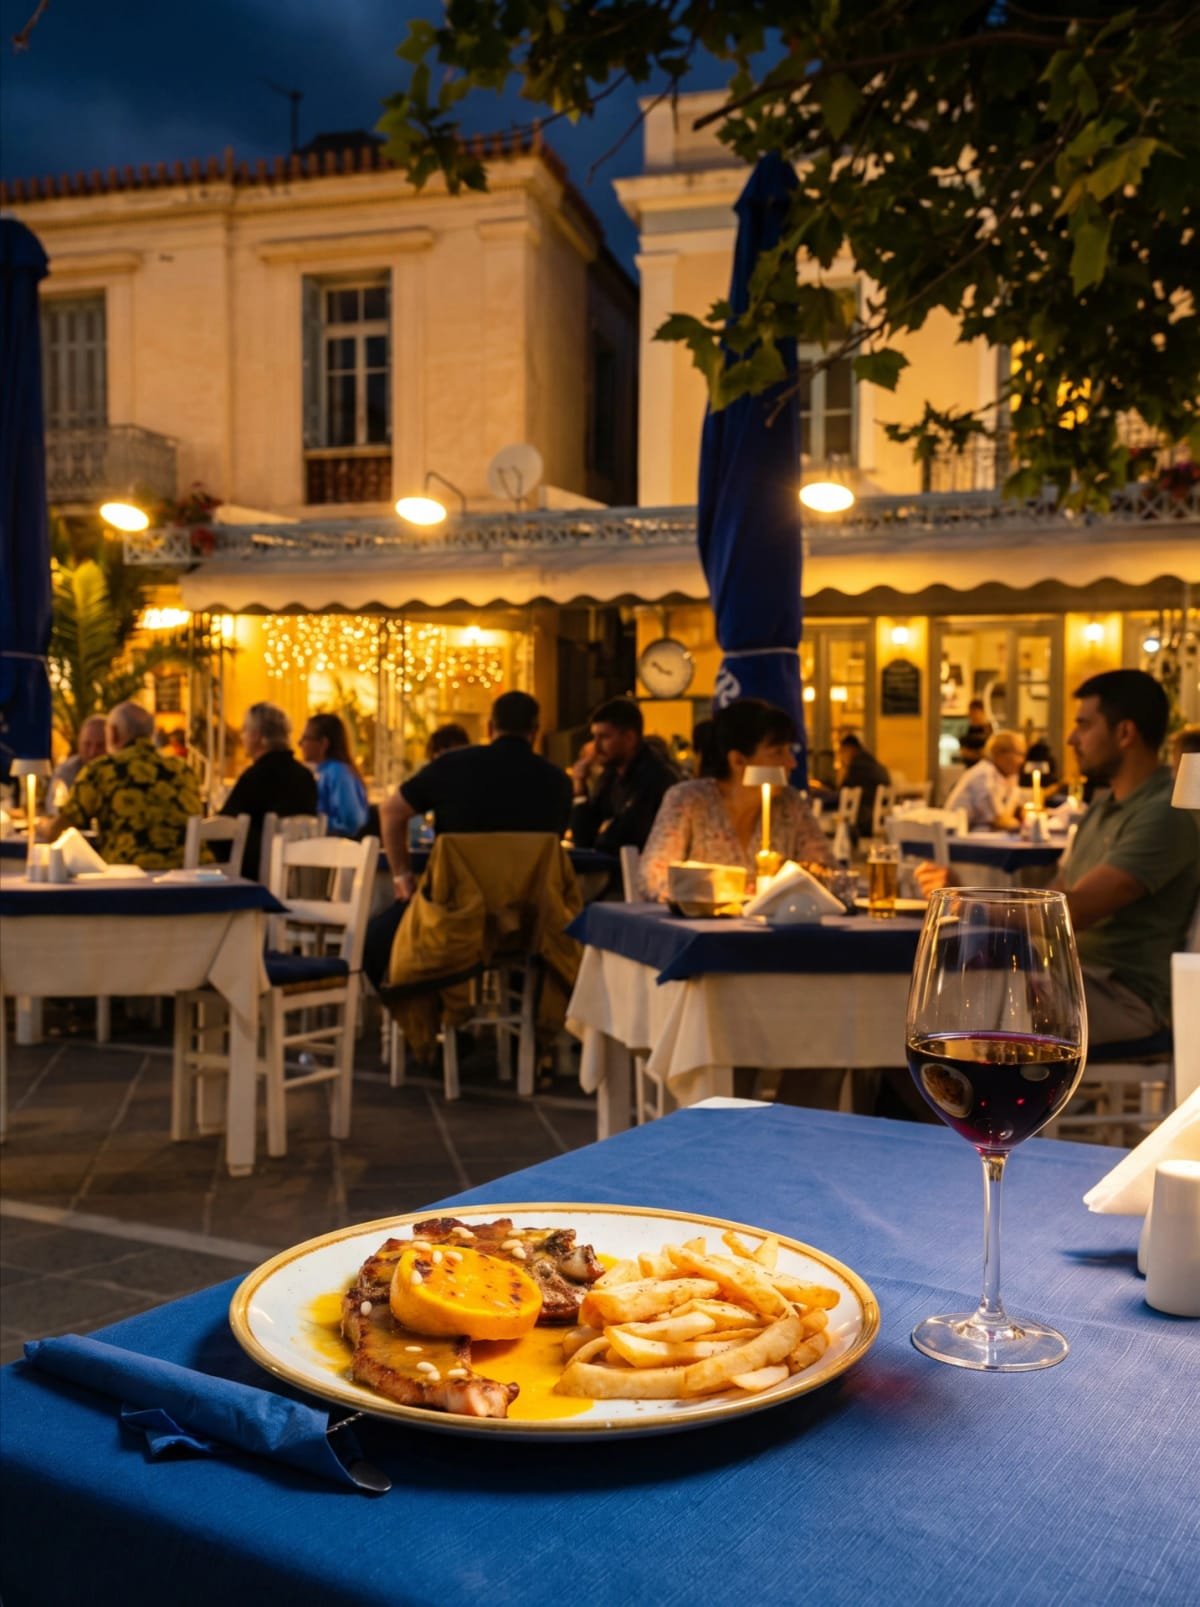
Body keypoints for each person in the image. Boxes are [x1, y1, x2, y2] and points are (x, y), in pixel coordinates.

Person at [920, 670, 1200, 1043]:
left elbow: (1074, 910)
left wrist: (967, 903)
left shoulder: (1167, 811)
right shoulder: (1104, 808)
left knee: (951, 1016)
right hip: (1069, 978)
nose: (1071, 738)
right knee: (919, 1005)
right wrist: (967, 898)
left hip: (1123, 995)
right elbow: (1055, 894)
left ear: (1125, 733)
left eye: (1084, 725)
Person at [379, 690, 572, 906]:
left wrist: (402, 877)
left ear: (490, 728)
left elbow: (391, 811)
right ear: (535, 731)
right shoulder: (560, 782)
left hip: (451, 915)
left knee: (376, 932)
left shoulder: (452, 766)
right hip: (530, 921)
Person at [639, 699, 831, 901]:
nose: (791, 763)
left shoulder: (790, 804)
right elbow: (653, 878)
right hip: (704, 928)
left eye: (789, 751)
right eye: (777, 753)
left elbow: (826, 872)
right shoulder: (689, 800)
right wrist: (716, 895)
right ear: (738, 760)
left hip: (778, 930)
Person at [52, 701, 201, 869]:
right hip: (189, 877)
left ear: (113, 734)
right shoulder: (183, 769)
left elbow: (62, 827)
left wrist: (43, 827)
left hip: (129, 878)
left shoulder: (103, 769)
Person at [221, 702, 318, 879]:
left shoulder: (256, 776)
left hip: (254, 876)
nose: (242, 738)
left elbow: (225, 827)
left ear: (256, 736)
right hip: (297, 875)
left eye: (245, 731)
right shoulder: (304, 775)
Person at [569, 697, 678, 854]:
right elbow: (584, 839)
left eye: (604, 737)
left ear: (629, 738)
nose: (596, 747)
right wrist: (580, 788)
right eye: (594, 737)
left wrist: (604, 834)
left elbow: (621, 838)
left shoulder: (654, 777)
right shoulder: (611, 776)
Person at [299, 713, 368, 838]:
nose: (300, 744)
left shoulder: (337, 773)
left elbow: (351, 821)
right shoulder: (323, 772)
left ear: (324, 743)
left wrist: (314, 825)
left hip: (335, 850)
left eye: (306, 738)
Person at [944, 729, 1027, 829]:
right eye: (1019, 754)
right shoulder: (983, 775)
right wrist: (1026, 825)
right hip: (957, 841)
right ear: (999, 753)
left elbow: (1007, 815)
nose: (1022, 761)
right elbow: (1000, 822)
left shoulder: (1003, 777)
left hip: (972, 838)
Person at [836, 733, 891, 839]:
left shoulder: (857, 765)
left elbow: (842, 792)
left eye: (842, 752)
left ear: (850, 749)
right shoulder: (873, 763)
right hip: (881, 819)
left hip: (866, 821)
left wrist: (843, 770)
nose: (841, 756)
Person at [48, 714, 106, 810]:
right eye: (87, 744)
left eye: (100, 745)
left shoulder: (120, 773)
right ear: (79, 743)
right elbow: (55, 809)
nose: (93, 752)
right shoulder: (66, 771)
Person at [958, 697, 993, 764]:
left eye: (974, 712)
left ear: (982, 712)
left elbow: (986, 753)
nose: (971, 715)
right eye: (970, 712)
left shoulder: (989, 729)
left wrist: (972, 754)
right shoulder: (968, 729)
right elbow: (963, 752)